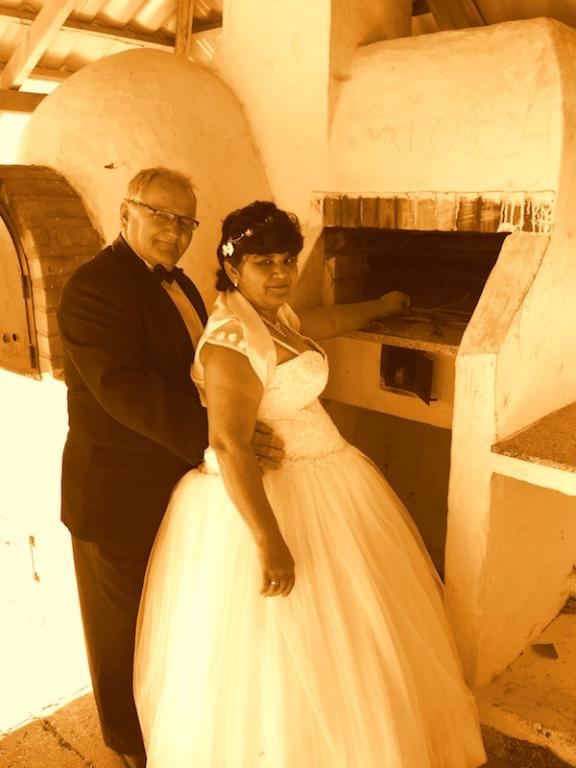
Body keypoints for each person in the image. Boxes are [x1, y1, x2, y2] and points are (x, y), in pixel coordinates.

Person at [134, 200, 487, 767]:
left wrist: (379, 305)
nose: (280, 274)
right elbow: (229, 445)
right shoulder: (230, 339)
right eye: (263, 263)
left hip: (329, 482)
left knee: (351, 634)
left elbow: (321, 323)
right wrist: (270, 541)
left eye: (287, 261)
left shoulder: (271, 317)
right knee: (280, 651)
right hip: (273, 501)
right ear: (232, 267)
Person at [57, 168, 273, 768]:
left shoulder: (185, 286)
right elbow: (123, 390)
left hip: (176, 485)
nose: (174, 232)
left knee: (167, 620)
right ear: (126, 211)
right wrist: (222, 437)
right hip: (116, 494)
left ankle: (167, 735)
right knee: (121, 632)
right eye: (161, 215)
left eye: (185, 221)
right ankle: (128, 746)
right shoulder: (93, 287)